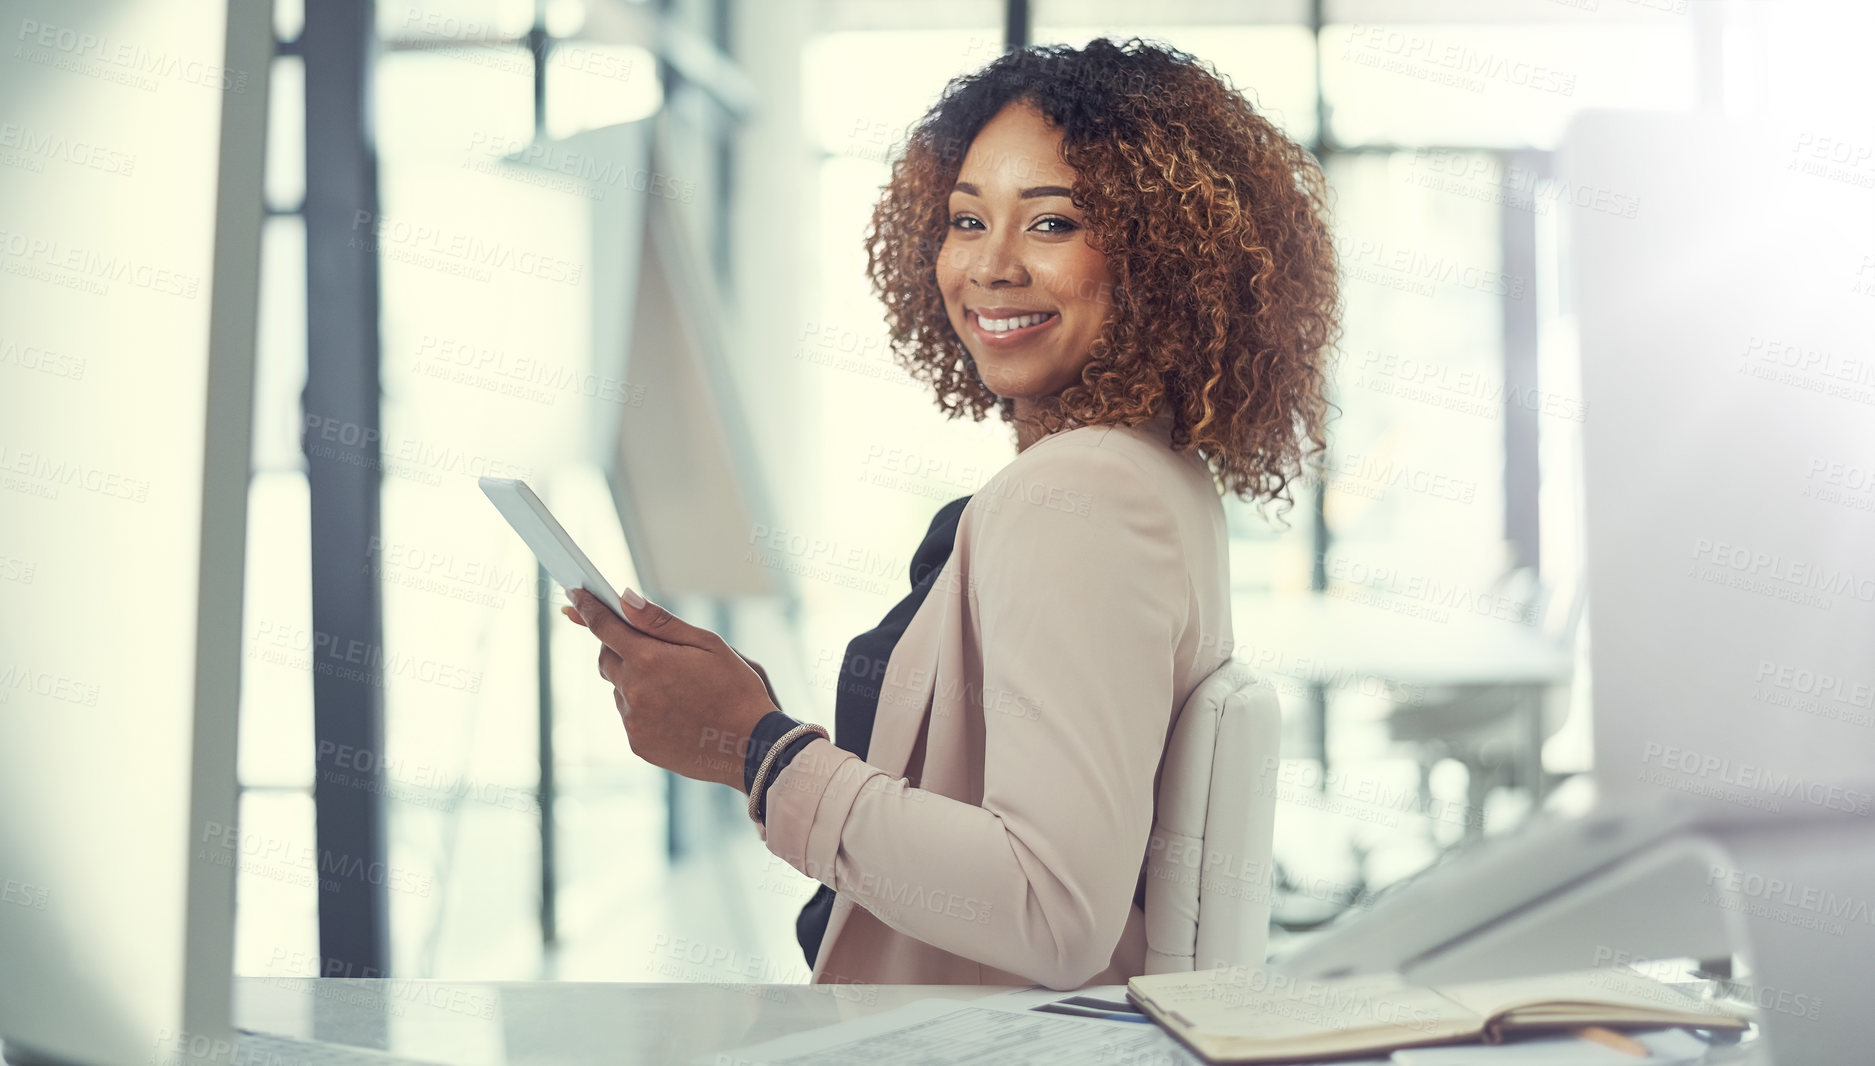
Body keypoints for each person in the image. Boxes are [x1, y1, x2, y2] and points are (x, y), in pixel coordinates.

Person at [562, 36, 1339, 990]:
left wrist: (756, 750)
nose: (991, 266)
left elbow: (1050, 910)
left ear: (1162, 259)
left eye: (1052, 224)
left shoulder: (1078, 494)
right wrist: (747, 710)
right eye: (967, 220)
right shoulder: (1153, 468)